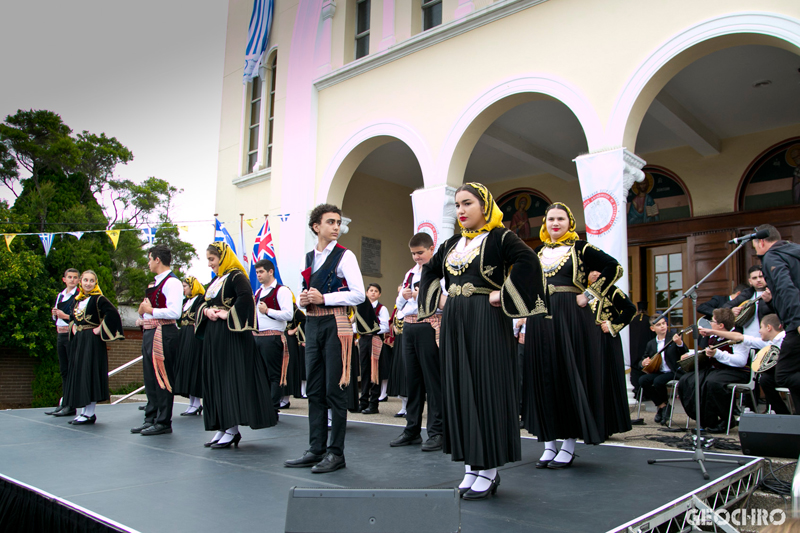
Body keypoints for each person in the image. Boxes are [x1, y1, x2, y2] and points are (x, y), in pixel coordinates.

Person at [418, 183, 548, 500]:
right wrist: (437, 301)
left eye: (467, 203)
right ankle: (470, 467)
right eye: (457, 205)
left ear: (485, 206)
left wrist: (503, 295)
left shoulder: (501, 237)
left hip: (487, 320)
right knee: (460, 388)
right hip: (455, 320)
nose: (461, 210)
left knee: (485, 386)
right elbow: (429, 271)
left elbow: (531, 263)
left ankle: (488, 470)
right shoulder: (451, 243)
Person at [522, 202, 622, 469]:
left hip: (570, 317)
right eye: (551, 219)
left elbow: (614, 267)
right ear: (545, 223)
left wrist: (589, 295)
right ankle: (548, 444)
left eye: (561, 219)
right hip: (540, 318)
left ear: (570, 223)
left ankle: (568, 443)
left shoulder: (582, 248)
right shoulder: (537, 252)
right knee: (543, 375)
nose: (556, 223)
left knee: (568, 374)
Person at [284, 204, 365, 474]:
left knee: (335, 389)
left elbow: (359, 294)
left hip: (336, 322)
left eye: (338, 222)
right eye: (330, 222)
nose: (336, 227)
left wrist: (325, 298)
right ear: (316, 226)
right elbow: (300, 292)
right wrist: (304, 299)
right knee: (315, 389)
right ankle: (316, 448)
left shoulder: (345, 256)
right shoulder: (307, 258)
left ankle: (336, 452)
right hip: (313, 322)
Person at [195, 242, 277, 448]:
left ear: (222, 258)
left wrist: (226, 313)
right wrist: (206, 311)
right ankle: (222, 427)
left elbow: (246, 299)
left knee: (228, 379)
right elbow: (203, 301)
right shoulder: (217, 280)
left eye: (212, 260)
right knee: (216, 379)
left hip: (231, 335)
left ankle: (232, 429)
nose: (210, 264)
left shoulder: (236, 276)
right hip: (215, 336)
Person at [390, 232, 445, 453]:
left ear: (431, 249)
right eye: (413, 253)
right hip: (410, 326)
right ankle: (411, 429)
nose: (416, 257)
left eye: (420, 253)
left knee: (433, 381)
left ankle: (437, 432)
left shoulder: (441, 272)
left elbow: (445, 301)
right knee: (412, 381)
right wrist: (403, 296)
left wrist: (422, 295)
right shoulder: (410, 272)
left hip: (429, 324)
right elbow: (399, 305)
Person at [131, 245, 183, 436]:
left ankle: (163, 421)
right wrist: (143, 316)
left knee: (162, 378)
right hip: (151, 332)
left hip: (164, 333)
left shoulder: (172, 283)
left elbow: (175, 312)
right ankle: (150, 417)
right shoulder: (157, 283)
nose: (148, 263)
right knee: (150, 378)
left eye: (149, 259)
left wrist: (150, 311)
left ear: (157, 259)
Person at [64, 270, 124, 425]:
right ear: (80, 282)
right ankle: (84, 411)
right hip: (79, 341)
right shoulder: (78, 299)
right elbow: (72, 316)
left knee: (89, 373)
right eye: (85, 280)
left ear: (95, 282)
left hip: (92, 341)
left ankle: (90, 413)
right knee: (80, 373)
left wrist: (100, 329)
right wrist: (72, 326)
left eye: (91, 281)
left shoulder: (99, 299)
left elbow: (112, 314)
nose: (88, 283)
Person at [754, 224, 800, 414]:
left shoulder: (771, 256)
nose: (756, 250)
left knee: (783, 375)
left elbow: (787, 289)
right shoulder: (794, 251)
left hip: (796, 324)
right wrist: (773, 302)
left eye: (755, 246)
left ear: (762, 242)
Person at [678, 307, 749, 432]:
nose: (710, 324)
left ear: (721, 325)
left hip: (737, 372)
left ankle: (727, 419)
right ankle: (704, 419)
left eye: (712, 321)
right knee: (687, 380)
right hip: (717, 370)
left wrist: (718, 354)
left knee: (712, 382)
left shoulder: (737, 337)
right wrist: (690, 354)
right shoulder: (714, 337)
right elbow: (707, 352)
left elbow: (741, 361)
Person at [709, 313, 787, 413]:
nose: (759, 331)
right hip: (779, 375)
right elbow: (742, 338)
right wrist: (711, 331)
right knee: (765, 380)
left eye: (761, 327)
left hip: (790, 374)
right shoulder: (768, 342)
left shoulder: (785, 339)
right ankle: (783, 413)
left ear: (768, 327)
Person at [590, 279, 636, 438]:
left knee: (604, 381)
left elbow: (630, 309)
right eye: (592, 270)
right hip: (587, 340)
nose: (595, 274)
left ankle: (605, 426)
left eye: (598, 271)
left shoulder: (611, 290)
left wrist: (613, 325)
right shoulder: (583, 292)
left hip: (605, 341)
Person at [252, 259, 294, 417]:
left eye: (261, 272)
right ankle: (263, 408)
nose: (258, 275)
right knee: (260, 374)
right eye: (257, 272)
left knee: (273, 375)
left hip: (272, 338)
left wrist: (268, 311)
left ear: (270, 271)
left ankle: (272, 409)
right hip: (257, 337)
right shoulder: (258, 292)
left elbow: (288, 315)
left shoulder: (281, 291)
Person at [638, 314, 687, 425]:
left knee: (658, 381)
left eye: (664, 323)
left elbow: (684, 353)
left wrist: (679, 343)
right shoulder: (651, 344)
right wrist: (643, 362)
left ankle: (663, 410)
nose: (662, 326)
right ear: (652, 328)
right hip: (659, 371)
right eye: (658, 325)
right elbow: (643, 359)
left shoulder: (673, 337)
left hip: (673, 371)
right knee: (643, 380)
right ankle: (662, 406)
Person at [46, 268, 80, 417]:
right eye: (69, 277)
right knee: (64, 370)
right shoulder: (60, 295)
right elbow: (57, 317)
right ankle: (64, 402)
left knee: (72, 369)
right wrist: (55, 314)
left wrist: (65, 316)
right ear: (64, 279)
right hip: (60, 333)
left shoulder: (78, 296)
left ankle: (70, 405)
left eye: (75, 277)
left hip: (70, 334)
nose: (72, 280)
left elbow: (77, 317)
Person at [172, 276, 205, 416]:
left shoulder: (200, 299)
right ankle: (191, 402)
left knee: (193, 366)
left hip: (193, 335)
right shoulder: (186, 301)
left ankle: (196, 403)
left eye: (185, 286)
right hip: (184, 334)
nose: (183, 289)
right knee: (186, 365)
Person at [356, 283, 389, 414]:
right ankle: (363, 401)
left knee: (375, 372)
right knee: (364, 370)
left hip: (375, 339)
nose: (373, 293)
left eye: (376, 291)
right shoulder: (361, 308)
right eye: (371, 290)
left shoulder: (382, 309)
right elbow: (356, 326)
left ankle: (373, 404)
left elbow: (386, 327)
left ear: (379, 294)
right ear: (366, 293)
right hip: (364, 340)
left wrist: (372, 329)